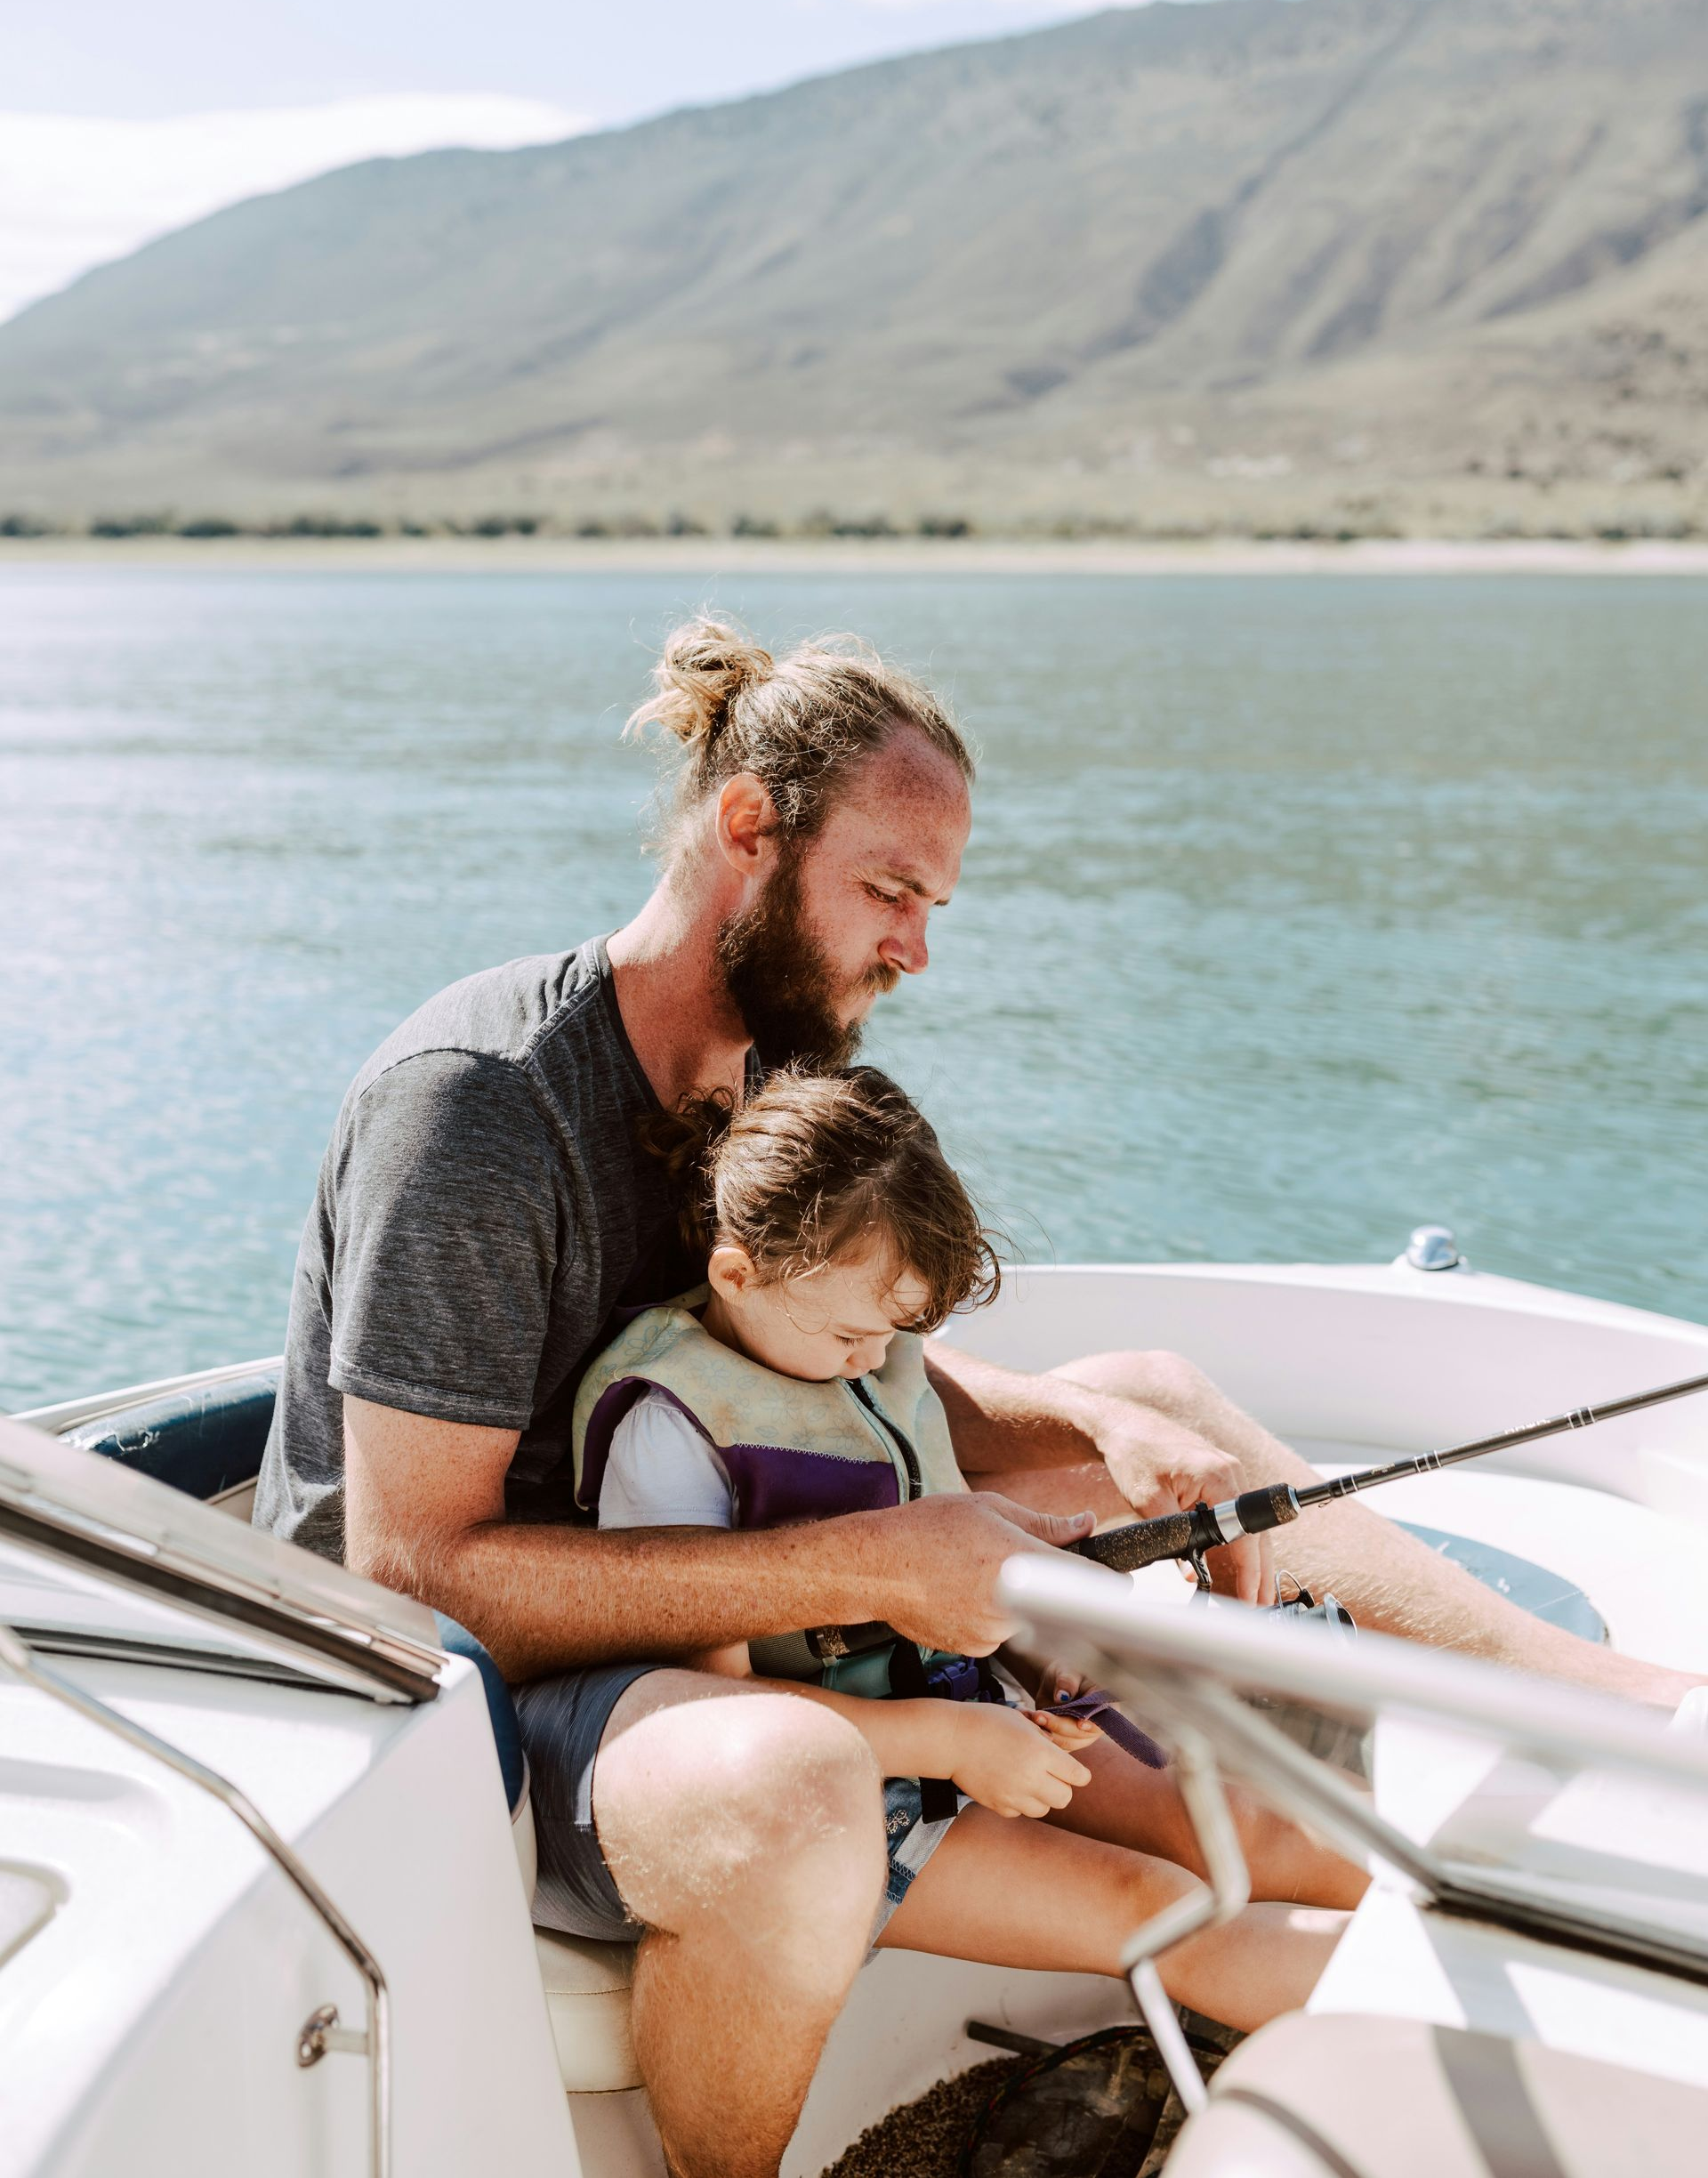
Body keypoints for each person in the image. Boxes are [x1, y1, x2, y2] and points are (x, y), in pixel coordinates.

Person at [255, 615, 1699, 2178]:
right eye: (888, 890)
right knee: (798, 1778)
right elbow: (409, 1573)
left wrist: (1094, 1433)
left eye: (934, 905)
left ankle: (1622, 1709)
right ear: (749, 827)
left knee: (1150, 1397)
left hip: (708, 1564)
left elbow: (808, 1359)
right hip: (462, 1697)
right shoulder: (485, 1108)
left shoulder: (747, 1077)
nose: (916, 949)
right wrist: (882, 1560)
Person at [578, 1061, 1355, 2033]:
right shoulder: (673, 1432)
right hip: (856, 1801)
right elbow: (725, 1724)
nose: (876, 1360)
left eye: (900, 1335)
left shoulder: (871, 1353)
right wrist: (951, 1742)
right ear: (739, 1274)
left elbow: (953, 1563)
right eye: (856, 1335)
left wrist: (1043, 1669)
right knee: (1163, 1909)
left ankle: (1529, 1952)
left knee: (1249, 1829)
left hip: (978, 1719)